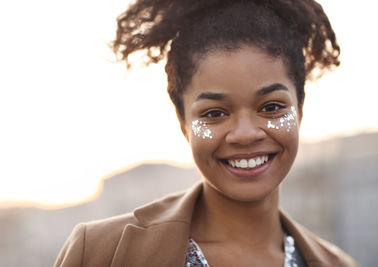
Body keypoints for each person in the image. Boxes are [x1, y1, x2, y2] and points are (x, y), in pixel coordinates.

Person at [54, 0, 358, 266]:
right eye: (214, 113)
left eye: (271, 107)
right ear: (183, 121)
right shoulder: (98, 254)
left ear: (300, 110)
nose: (244, 134)